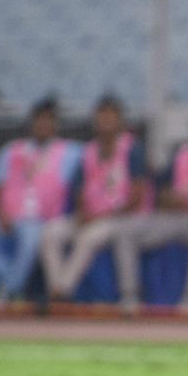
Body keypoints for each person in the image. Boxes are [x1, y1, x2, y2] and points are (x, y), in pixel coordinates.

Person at [114, 112, 188, 314]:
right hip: (174, 217)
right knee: (126, 229)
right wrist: (170, 199)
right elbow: (161, 192)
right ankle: (129, 296)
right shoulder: (182, 155)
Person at [40, 96, 150, 311]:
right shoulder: (88, 151)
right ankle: (56, 287)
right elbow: (79, 190)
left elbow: (137, 196)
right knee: (51, 232)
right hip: (90, 216)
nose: (106, 121)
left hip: (120, 218)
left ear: (120, 120)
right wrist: (82, 213)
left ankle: (63, 291)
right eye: (102, 116)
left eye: (111, 116)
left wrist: (99, 216)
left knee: (89, 236)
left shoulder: (131, 148)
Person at [0, 100, 81, 306]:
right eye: (39, 120)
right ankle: (11, 285)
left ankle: (10, 291)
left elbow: (95, 164)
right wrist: (0, 214)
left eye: (48, 121)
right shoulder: (12, 150)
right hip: (6, 217)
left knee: (31, 239)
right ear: (31, 123)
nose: (43, 125)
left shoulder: (68, 152)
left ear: (56, 125)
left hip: (41, 220)